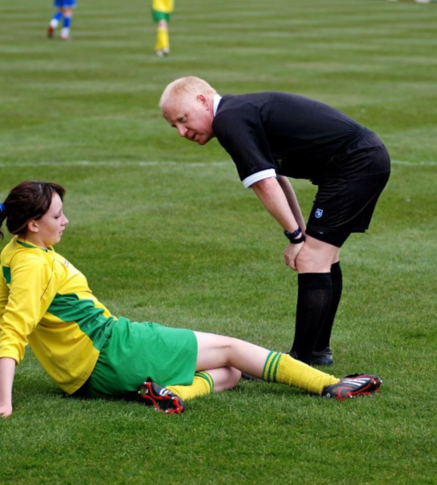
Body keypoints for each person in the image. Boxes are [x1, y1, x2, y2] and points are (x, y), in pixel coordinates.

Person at [0, 181, 382, 419]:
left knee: (230, 371)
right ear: (31, 224)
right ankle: (329, 385)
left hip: (84, 378)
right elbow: (12, 327)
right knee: (233, 347)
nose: (65, 221)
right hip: (114, 350)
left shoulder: (16, 253)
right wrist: (3, 405)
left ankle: (170, 394)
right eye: (57, 216)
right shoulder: (33, 265)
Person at [159, 76, 391, 366]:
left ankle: (300, 361)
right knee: (323, 257)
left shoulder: (228, 119)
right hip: (362, 160)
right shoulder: (236, 112)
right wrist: (300, 233)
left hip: (355, 164)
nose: (181, 131)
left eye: (183, 119)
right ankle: (316, 352)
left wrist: (296, 238)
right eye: (174, 126)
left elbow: (265, 184)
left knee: (312, 259)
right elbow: (277, 179)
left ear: (203, 101)